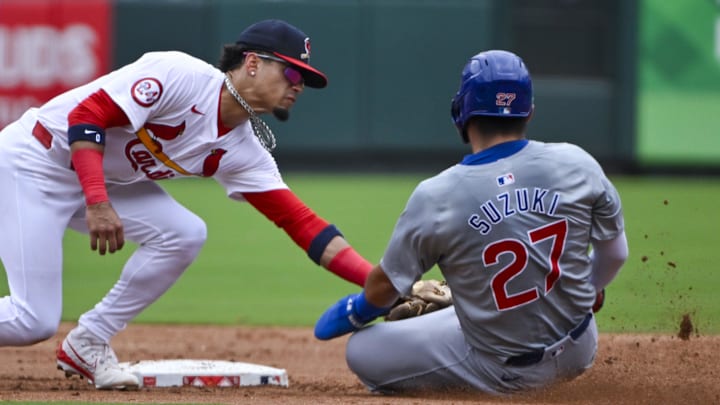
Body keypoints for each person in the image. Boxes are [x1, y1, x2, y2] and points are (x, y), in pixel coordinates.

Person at [0, 19, 374, 389]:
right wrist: (97, 200)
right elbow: (86, 117)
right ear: (253, 63)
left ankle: (88, 340)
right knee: (33, 320)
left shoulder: (244, 151)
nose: (299, 87)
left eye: (304, 82)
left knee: (185, 233)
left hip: (100, 181)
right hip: (34, 164)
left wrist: (380, 282)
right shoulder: (180, 75)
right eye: (293, 73)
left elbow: (303, 224)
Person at [313, 50, 629, 395]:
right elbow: (616, 254)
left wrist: (356, 311)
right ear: (530, 111)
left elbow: (385, 287)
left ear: (460, 111)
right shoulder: (577, 162)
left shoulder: (438, 195)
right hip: (580, 350)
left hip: (503, 370)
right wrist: (589, 292)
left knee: (362, 349)